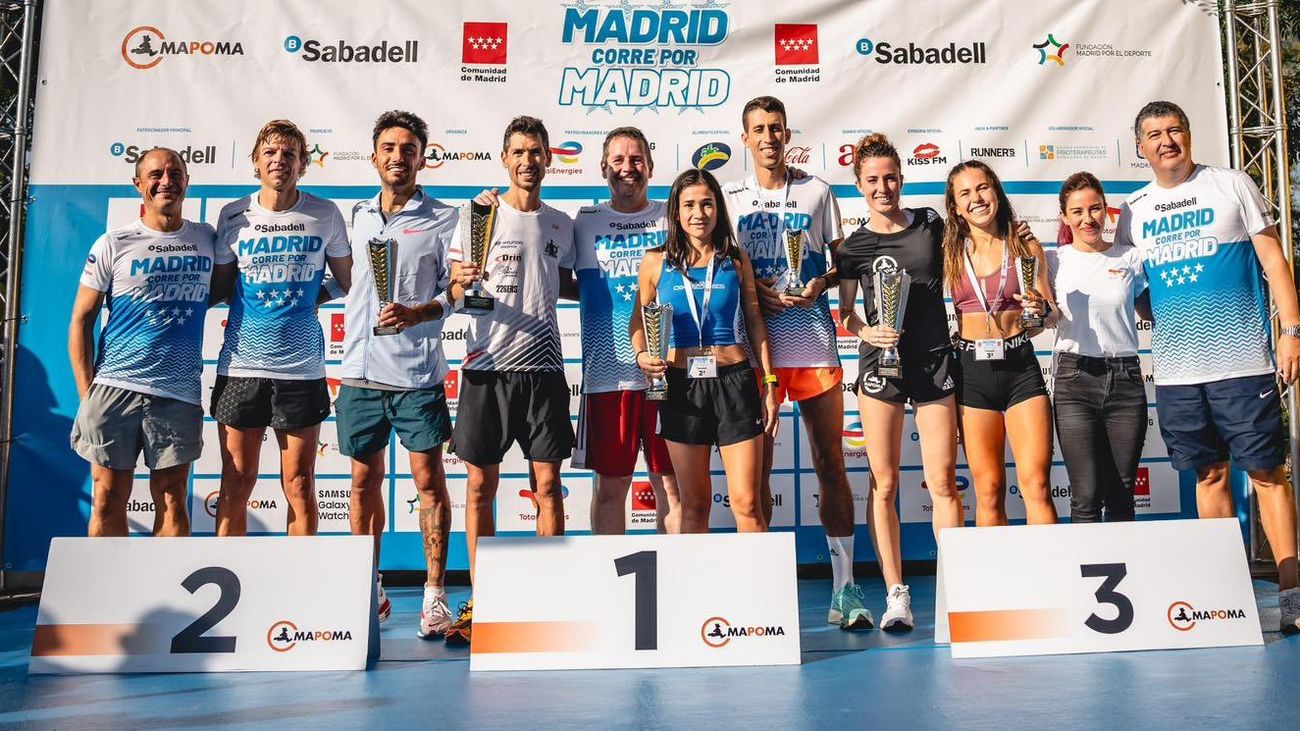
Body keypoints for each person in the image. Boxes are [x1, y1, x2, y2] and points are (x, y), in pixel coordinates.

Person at [1116, 100, 1299, 633]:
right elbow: (1134, 288)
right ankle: (1227, 595)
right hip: (1177, 373)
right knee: (1210, 474)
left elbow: (1273, 260)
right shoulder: (1134, 209)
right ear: (1140, 148)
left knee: (1267, 475)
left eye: (1174, 129)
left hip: (1243, 363)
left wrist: (1291, 332)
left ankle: (1291, 592)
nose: (1165, 140)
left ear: (1189, 135)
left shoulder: (1230, 184)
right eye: (1153, 134)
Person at [721, 96, 861, 627]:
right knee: (757, 473)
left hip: (810, 337)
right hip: (752, 342)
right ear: (745, 138)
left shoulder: (816, 190)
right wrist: (754, 288)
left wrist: (821, 283)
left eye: (776, 128)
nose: (768, 138)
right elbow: (718, 262)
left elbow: (841, 259)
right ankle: (762, 595)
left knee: (830, 462)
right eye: (757, 129)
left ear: (788, 133)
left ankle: (844, 591)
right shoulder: (729, 196)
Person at [446, 115, 577, 646]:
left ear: (548, 158)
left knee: (548, 487)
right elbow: (456, 291)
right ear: (504, 159)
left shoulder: (562, 223)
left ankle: (546, 595)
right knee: (481, 488)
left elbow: (570, 283)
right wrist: (461, 283)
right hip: (485, 371)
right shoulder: (477, 214)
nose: (527, 160)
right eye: (518, 151)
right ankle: (485, 599)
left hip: (545, 372)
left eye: (536, 151)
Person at [68, 147, 236, 536]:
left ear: (187, 182)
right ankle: (109, 596)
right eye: (156, 174)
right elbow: (81, 321)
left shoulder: (207, 239)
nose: (167, 182)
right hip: (114, 389)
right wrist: (86, 394)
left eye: (175, 173)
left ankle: (169, 595)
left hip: (177, 392)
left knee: (173, 497)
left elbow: (220, 292)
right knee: (108, 497)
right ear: (138, 184)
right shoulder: (113, 242)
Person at [835, 133, 963, 631]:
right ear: (860, 185)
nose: (883, 187)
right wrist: (866, 328)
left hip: (933, 361)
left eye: (891, 177)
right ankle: (896, 594)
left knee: (943, 482)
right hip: (878, 366)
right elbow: (845, 313)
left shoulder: (931, 224)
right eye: (873, 180)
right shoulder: (853, 246)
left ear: (902, 179)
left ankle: (955, 587)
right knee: (883, 482)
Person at [338, 110, 458, 635]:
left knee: (428, 482)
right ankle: (368, 587)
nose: (398, 156)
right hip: (359, 372)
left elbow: (460, 293)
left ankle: (434, 594)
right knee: (363, 480)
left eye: (408, 148)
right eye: (389, 147)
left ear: (422, 156)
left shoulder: (447, 219)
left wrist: (418, 313)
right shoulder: (354, 215)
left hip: (416, 375)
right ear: (374, 155)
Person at [211, 120, 353, 537]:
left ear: (302, 164)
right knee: (236, 482)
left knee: (300, 483)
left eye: (289, 154)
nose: (279, 160)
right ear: (255, 162)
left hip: (301, 369)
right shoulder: (233, 214)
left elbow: (349, 282)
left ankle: (300, 589)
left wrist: (310, 295)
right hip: (242, 367)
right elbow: (219, 287)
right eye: (270, 153)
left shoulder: (324, 213)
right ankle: (229, 579)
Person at [630, 168, 778, 534]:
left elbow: (755, 322)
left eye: (707, 204)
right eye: (690, 205)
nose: (699, 213)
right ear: (676, 212)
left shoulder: (736, 259)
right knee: (694, 506)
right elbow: (637, 321)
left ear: (718, 209)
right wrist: (641, 356)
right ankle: (698, 592)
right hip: (680, 386)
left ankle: (758, 591)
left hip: (735, 381)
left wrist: (770, 381)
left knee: (747, 503)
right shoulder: (655, 262)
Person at [571, 127, 682, 534]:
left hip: (666, 371)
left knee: (670, 485)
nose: (627, 168)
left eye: (636, 160)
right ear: (603, 167)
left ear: (650, 166)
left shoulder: (674, 219)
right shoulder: (584, 222)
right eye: (618, 160)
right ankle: (610, 591)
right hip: (607, 377)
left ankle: (675, 589)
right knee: (610, 487)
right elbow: (558, 279)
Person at [943, 160, 1056, 526]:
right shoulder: (946, 252)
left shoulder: (1024, 244)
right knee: (988, 489)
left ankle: (1052, 578)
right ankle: (996, 583)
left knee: (1036, 485)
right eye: (965, 193)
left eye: (982, 188)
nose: (976, 198)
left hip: (1020, 368)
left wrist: (1040, 310)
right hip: (972, 372)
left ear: (996, 191)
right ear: (955, 207)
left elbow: (1049, 314)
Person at [1048, 172, 1149, 523]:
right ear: (1064, 216)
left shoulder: (1131, 258)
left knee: (1122, 492)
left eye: (1094, 209)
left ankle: (1126, 573)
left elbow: (1153, 310)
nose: (1087, 219)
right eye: (1076, 212)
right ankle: (1086, 574)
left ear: (1106, 211)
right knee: (1086, 495)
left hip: (1126, 378)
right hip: (1074, 380)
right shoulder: (1052, 262)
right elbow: (1040, 317)